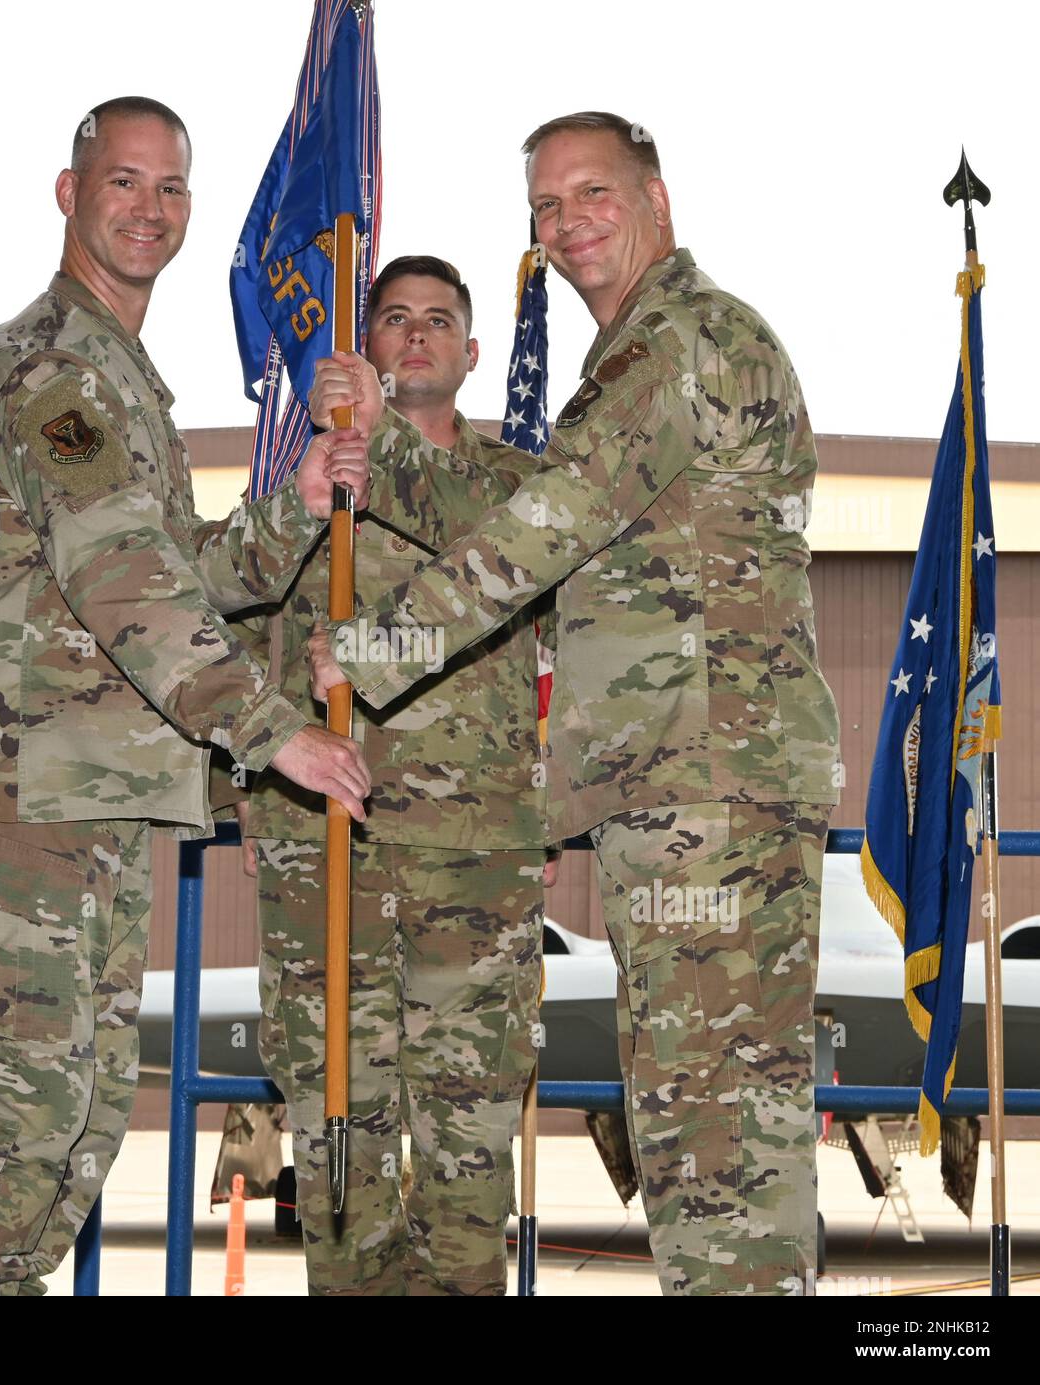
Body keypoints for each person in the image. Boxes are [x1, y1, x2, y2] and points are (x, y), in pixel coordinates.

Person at [308, 112, 841, 1296]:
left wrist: (375, 651)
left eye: (590, 193)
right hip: (688, 785)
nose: (564, 224)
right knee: (710, 1123)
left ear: (657, 198)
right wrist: (384, 451)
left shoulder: (678, 344)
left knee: (712, 1147)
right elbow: (548, 511)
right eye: (544, 209)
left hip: (708, 789)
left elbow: (543, 532)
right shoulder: (647, 354)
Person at [0, 95, 372, 1296]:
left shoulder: (120, 376)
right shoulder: (53, 364)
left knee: (80, 1113)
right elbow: (122, 578)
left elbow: (178, 566)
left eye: (169, 189)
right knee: (20, 1110)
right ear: (70, 192)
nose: (147, 209)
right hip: (24, 787)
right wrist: (272, 735)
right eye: (124, 182)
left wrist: (297, 503)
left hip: (91, 785)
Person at [231, 257, 555, 1295]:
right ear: (361, 349)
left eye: (439, 322)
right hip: (329, 862)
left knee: (465, 1152)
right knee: (340, 1146)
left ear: (470, 353)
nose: (416, 335)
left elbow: (510, 564)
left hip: (472, 869)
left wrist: (394, 448)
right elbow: (229, 615)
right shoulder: (308, 490)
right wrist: (312, 488)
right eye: (394, 319)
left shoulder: (515, 489)